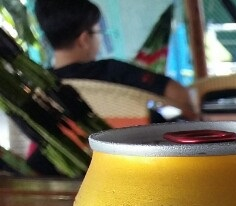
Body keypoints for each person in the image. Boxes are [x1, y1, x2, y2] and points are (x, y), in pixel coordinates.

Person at [34, 0, 197, 119]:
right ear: (84, 40)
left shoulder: (41, 89)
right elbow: (180, 95)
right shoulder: (112, 73)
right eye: (99, 33)